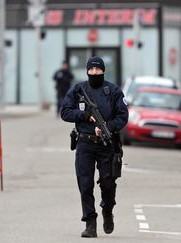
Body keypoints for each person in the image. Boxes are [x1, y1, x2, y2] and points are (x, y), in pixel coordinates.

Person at [60, 56, 128, 238]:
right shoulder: (78, 89)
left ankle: (107, 210)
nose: (95, 73)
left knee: (108, 183)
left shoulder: (113, 91)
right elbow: (65, 112)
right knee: (85, 183)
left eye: (98, 70)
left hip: (107, 144)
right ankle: (90, 222)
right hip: (84, 144)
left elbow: (123, 116)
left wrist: (108, 126)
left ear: (103, 71)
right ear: (87, 71)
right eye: (92, 70)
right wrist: (84, 115)